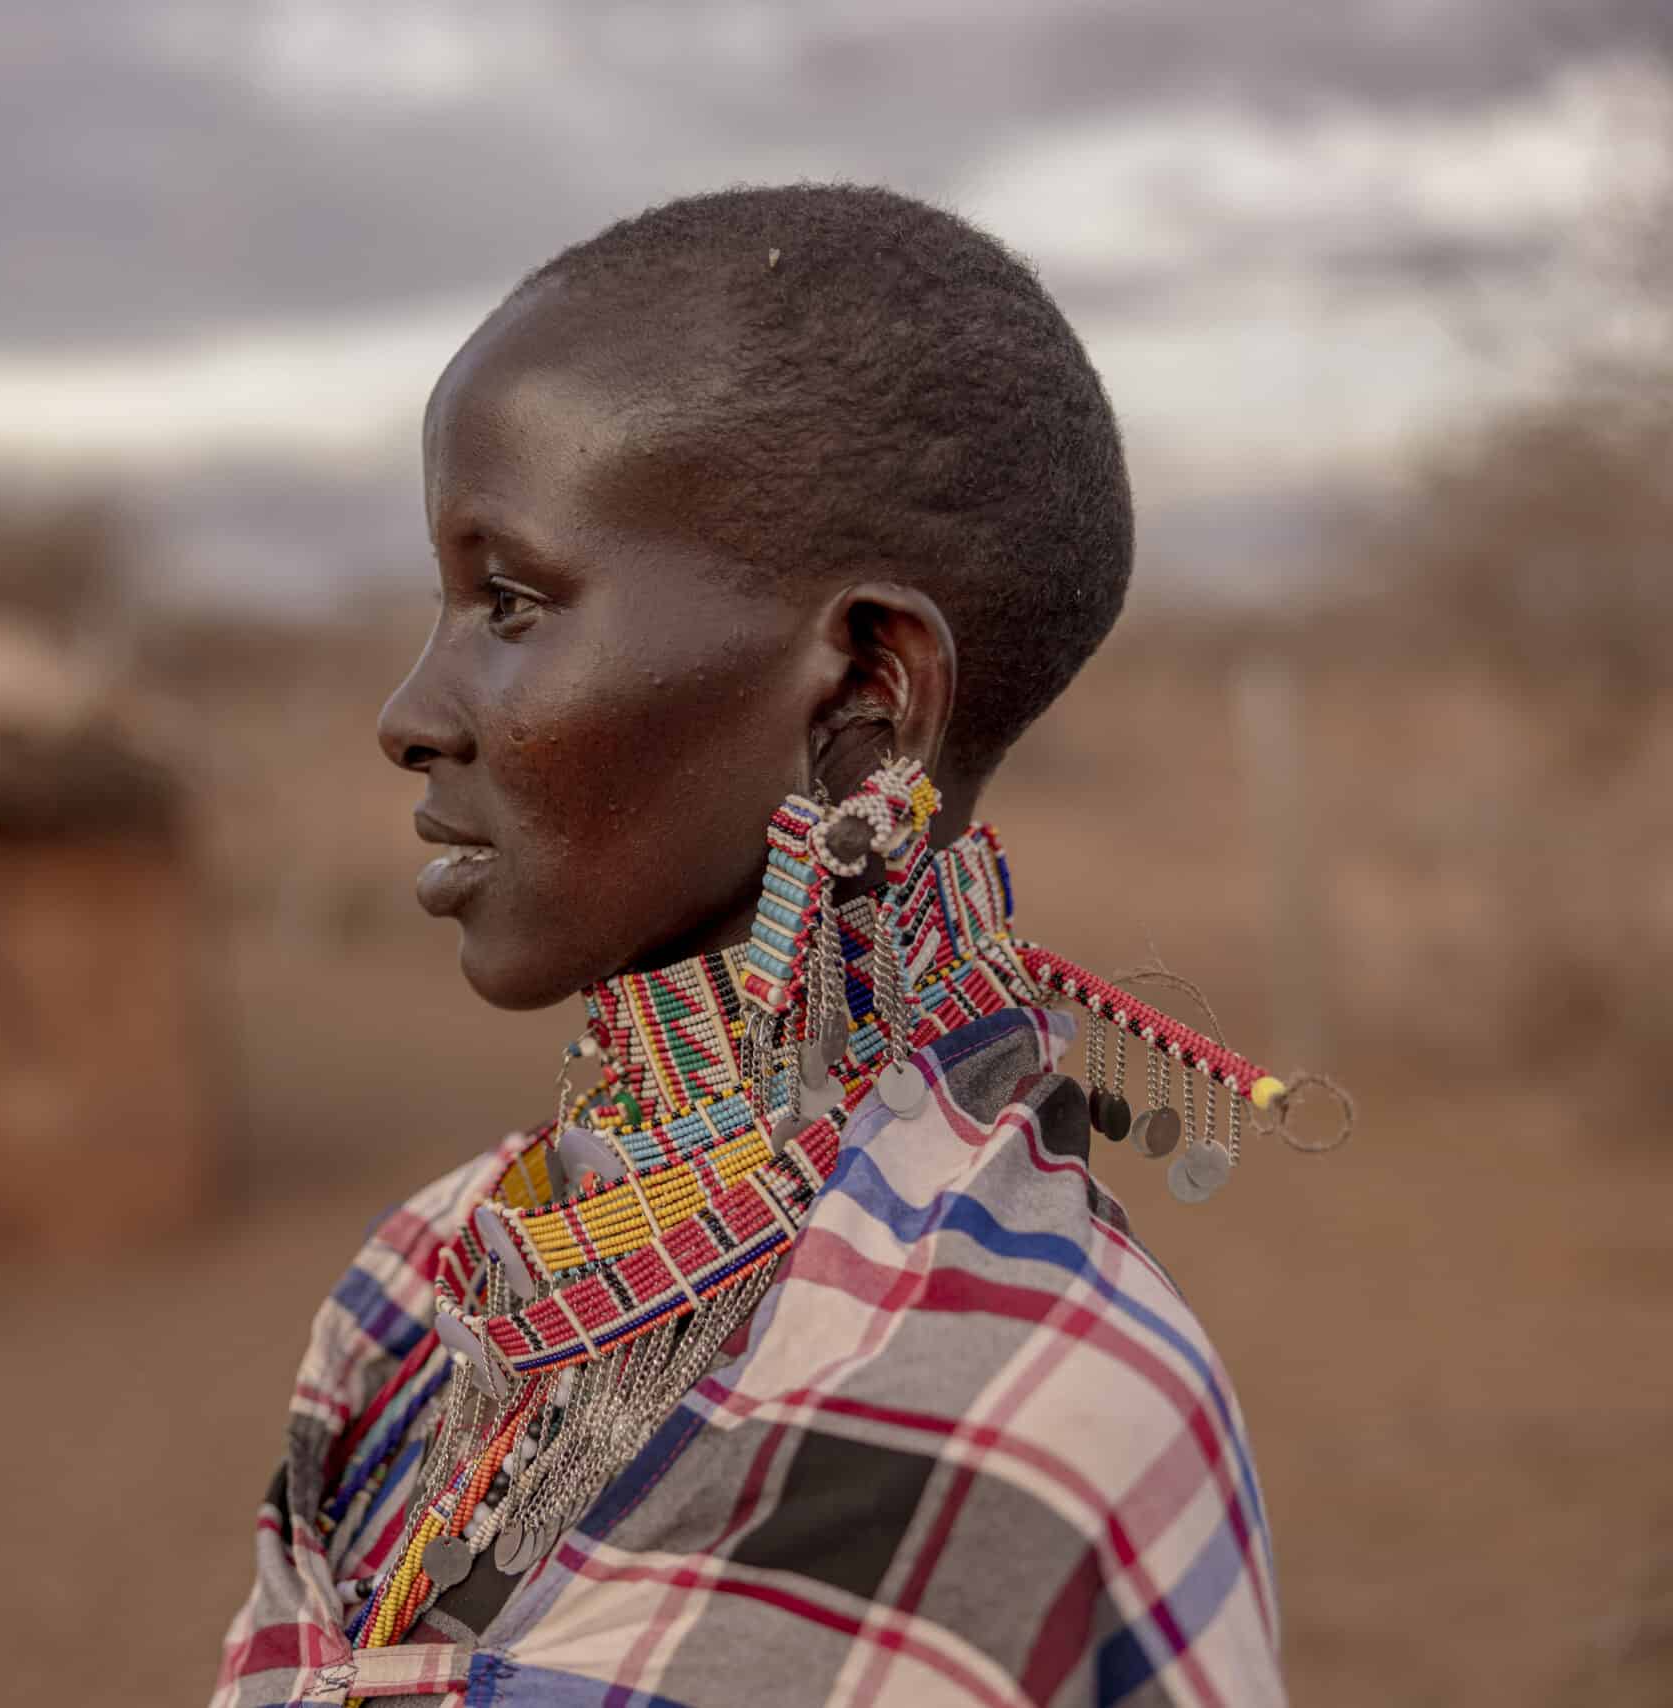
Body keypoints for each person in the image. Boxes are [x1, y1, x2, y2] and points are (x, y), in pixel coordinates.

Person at [211, 184, 1292, 1708]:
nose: (411, 714)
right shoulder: (416, 1292)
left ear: (865, 683)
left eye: (509, 601)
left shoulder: (1050, 1422)